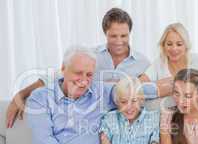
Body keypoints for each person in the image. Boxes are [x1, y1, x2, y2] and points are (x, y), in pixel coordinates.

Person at [0, 46, 114, 144]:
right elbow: (46, 143)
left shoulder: (102, 92)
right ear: (63, 69)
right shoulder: (41, 97)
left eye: (89, 75)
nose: (84, 81)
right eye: (78, 73)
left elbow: (136, 91)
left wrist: (153, 87)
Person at [6, 7, 150, 128]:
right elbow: (55, 76)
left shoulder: (142, 62)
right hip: (89, 118)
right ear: (105, 34)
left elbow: (148, 90)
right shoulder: (90, 55)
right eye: (113, 36)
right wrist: (20, 96)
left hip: (120, 123)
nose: (119, 42)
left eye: (124, 36)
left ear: (130, 34)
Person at [139, 22, 198, 110]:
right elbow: (136, 87)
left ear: (186, 46)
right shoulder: (159, 63)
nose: (174, 48)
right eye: (169, 44)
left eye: (179, 44)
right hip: (169, 118)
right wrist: (164, 86)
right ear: (163, 46)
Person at [100, 77, 160, 144]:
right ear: (117, 102)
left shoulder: (152, 119)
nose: (129, 107)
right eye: (123, 102)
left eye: (134, 101)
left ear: (141, 100)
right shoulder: (109, 119)